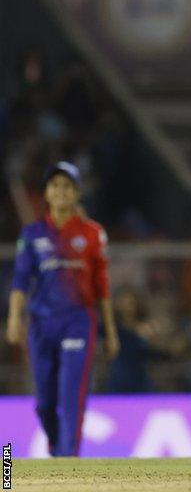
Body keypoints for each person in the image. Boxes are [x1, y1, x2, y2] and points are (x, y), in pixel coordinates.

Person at [5, 162, 119, 456]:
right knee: (44, 403)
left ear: (77, 193)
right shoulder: (32, 234)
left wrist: (111, 332)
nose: (61, 191)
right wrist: (14, 318)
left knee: (71, 396)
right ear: (45, 192)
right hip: (41, 323)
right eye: (55, 185)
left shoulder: (93, 233)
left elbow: (102, 287)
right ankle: (57, 447)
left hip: (78, 320)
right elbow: (20, 280)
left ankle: (69, 462)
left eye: (67, 186)